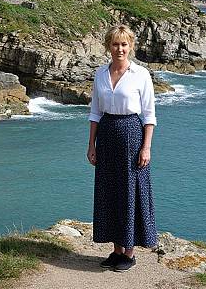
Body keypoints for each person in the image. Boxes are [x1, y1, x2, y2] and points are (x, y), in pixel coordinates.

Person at [87, 24, 157, 272]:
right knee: (110, 192)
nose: (120, 49)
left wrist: (146, 148)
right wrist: (91, 145)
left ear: (131, 46)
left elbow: (149, 115)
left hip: (131, 136)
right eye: (116, 44)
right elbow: (95, 112)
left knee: (130, 192)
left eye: (124, 44)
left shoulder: (141, 74)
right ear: (109, 46)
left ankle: (129, 253)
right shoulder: (100, 74)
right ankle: (116, 251)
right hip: (106, 136)